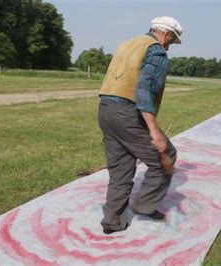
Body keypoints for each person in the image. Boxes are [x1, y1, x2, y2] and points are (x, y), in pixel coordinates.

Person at [97, 16, 182, 234]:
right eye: (171, 42)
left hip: (105, 109)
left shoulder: (126, 44)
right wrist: (154, 131)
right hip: (127, 113)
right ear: (166, 35)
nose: (169, 46)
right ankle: (145, 206)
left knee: (121, 169)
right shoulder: (156, 51)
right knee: (166, 156)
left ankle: (112, 221)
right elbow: (144, 90)